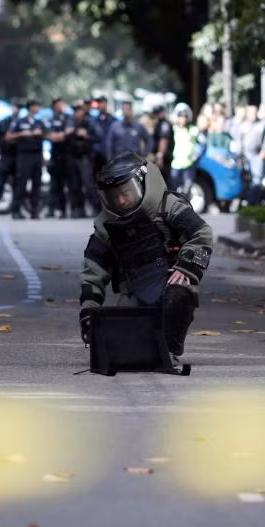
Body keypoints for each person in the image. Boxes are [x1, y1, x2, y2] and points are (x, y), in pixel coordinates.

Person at [78, 152, 215, 367]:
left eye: (125, 192)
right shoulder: (107, 225)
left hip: (170, 279)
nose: (121, 201)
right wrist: (88, 313)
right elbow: (92, 271)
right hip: (133, 290)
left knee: (180, 293)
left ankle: (169, 349)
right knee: (122, 350)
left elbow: (202, 233)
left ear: (141, 183)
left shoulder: (167, 205)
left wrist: (188, 266)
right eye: (114, 196)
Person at [8, 98, 46, 219]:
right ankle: (16, 210)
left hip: (37, 155)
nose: (38, 108)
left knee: (37, 184)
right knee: (21, 184)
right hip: (24, 156)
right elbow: (8, 136)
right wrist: (22, 134)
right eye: (36, 106)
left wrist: (41, 133)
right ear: (30, 107)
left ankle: (34, 211)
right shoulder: (20, 122)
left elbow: (48, 135)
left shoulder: (40, 122)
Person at [0, 101, 20, 219]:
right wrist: (0, 148)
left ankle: (16, 210)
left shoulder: (21, 123)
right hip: (5, 156)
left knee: (18, 185)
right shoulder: (3, 122)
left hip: (17, 157)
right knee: (0, 184)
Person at [66, 100, 97, 217]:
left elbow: (98, 137)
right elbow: (66, 132)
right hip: (73, 155)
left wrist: (87, 135)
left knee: (88, 183)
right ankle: (78, 209)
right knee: (74, 184)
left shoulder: (90, 122)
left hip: (85, 156)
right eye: (75, 110)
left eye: (79, 110)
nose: (77, 112)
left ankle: (95, 207)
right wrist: (76, 131)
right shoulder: (70, 120)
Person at [46, 98, 70, 218]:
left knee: (64, 185)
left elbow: (69, 132)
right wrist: (62, 135)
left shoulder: (67, 118)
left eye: (61, 103)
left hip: (66, 155)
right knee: (54, 185)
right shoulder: (51, 119)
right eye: (58, 104)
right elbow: (50, 136)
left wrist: (61, 135)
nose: (61, 106)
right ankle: (51, 210)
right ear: (54, 106)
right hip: (55, 156)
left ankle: (63, 210)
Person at [170, 103, 199, 195]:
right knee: (174, 189)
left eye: (184, 117)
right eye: (180, 116)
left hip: (188, 164)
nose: (182, 119)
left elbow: (200, 139)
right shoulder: (175, 128)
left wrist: (196, 155)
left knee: (187, 190)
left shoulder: (192, 129)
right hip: (176, 164)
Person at [151, 105, 174, 187]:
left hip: (164, 158)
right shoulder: (161, 123)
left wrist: (160, 156)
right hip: (163, 158)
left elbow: (164, 140)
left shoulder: (164, 124)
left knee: (164, 182)